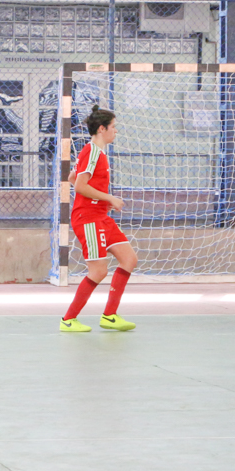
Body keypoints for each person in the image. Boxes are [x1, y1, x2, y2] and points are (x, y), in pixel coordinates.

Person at [60, 105, 137, 333]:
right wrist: (109, 198)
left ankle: (110, 315)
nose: (116, 131)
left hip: (100, 216)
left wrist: (100, 199)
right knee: (99, 271)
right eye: (113, 127)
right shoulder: (93, 152)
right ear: (102, 129)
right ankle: (68, 319)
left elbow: (73, 177)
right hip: (88, 218)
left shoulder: (95, 153)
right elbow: (80, 185)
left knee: (129, 259)